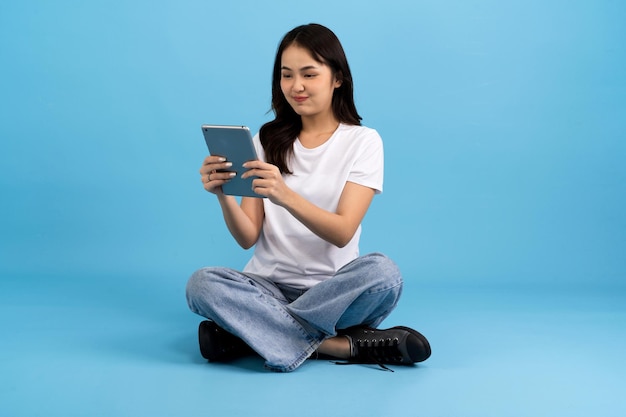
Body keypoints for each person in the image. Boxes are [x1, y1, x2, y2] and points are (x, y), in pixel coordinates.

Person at [186, 23, 431, 372]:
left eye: (309, 74)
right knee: (201, 284)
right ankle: (339, 346)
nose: (296, 86)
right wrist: (223, 195)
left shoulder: (363, 142)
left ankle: (249, 334)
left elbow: (343, 230)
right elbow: (247, 238)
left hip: (332, 292)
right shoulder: (265, 141)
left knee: (384, 274)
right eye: (286, 75)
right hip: (267, 287)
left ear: (337, 78)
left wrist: (284, 194)